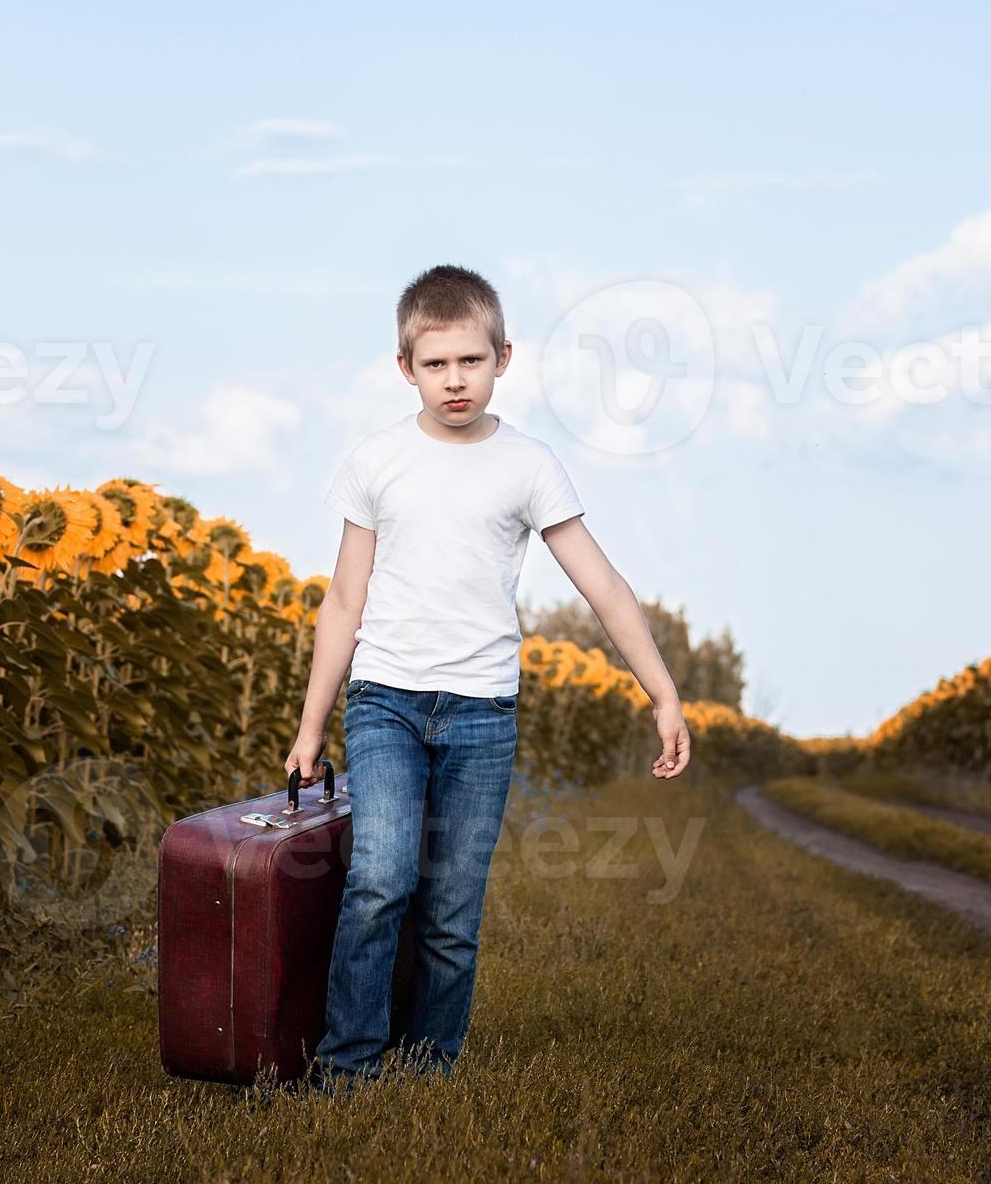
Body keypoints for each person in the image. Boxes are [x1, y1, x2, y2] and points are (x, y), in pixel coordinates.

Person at [285, 262, 691, 1093]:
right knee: (379, 881)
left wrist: (663, 693)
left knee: (450, 912)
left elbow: (603, 586)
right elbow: (342, 602)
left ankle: (428, 1072)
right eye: (434, 365)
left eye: (469, 361)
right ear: (406, 369)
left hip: (481, 717)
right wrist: (310, 727)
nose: (453, 380)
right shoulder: (377, 461)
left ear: (503, 356)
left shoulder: (529, 466)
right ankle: (346, 1068)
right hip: (385, 704)